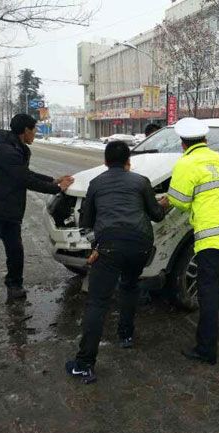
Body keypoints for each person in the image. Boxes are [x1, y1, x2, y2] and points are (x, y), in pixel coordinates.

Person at [66, 141, 166, 383]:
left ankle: (84, 364)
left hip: (110, 246)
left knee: (98, 302)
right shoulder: (141, 181)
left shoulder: (96, 183)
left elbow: (86, 223)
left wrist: (95, 247)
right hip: (140, 246)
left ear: (105, 162)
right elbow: (156, 215)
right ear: (128, 162)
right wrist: (163, 204)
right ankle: (126, 336)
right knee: (129, 286)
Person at [0, 114, 74, 313]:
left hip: (6, 209)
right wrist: (56, 188)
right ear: (26, 130)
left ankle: (14, 284)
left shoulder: (16, 148)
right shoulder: (6, 151)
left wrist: (53, 180)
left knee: (15, 249)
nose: (36, 133)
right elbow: (24, 179)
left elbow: (25, 173)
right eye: (34, 129)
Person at [159, 117, 219, 365]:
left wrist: (167, 199)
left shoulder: (186, 163)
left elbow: (181, 201)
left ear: (182, 143)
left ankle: (206, 349)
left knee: (207, 291)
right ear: (205, 140)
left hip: (211, 235)